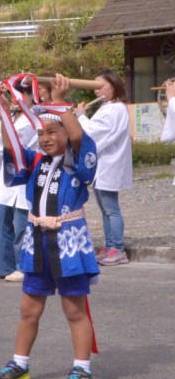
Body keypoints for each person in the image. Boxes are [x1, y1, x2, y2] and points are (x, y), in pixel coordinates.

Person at [0, 74, 101, 379]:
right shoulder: (36, 161)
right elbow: (11, 145)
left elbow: (77, 136)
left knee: (74, 309)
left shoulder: (77, 160)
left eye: (53, 131)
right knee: (29, 309)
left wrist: (60, 104)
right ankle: (19, 364)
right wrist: (4, 109)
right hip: (37, 241)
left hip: (68, 243)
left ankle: (82, 369)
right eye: (41, 133)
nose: (46, 138)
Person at [75, 71, 133, 266]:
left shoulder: (115, 108)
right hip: (102, 165)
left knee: (111, 209)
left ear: (114, 86)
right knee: (105, 209)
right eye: (95, 87)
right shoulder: (108, 107)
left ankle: (118, 248)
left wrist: (81, 117)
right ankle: (110, 245)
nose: (97, 90)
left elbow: (93, 133)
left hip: (109, 164)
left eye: (101, 86)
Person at [0, 80, 37, 282]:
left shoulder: (33, 118)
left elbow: (11, 143)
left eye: (21, 94)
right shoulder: (15, 115)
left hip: (23, 179)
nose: (15, 99)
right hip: (6, 181)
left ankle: (23, 267)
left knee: (22, 228)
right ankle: (5, 266)